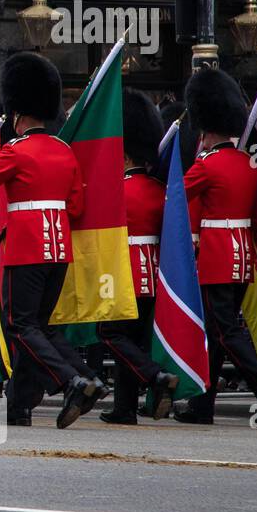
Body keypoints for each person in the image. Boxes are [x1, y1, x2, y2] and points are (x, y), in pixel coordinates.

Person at [0, 52, 104, 429]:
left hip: (27, 248)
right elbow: (75, 208)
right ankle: (22, 404)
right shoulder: (64, 151)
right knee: (37, 329)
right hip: (58, 249)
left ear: (17, 113)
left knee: (18, 325)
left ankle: (70, 381)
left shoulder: (15, 151)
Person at [175, 68, 257, 425]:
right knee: (218, 331)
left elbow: (175, 199)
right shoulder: (249, 164)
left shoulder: (208, 165)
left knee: (226, 331)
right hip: (242, 254)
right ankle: (202, 405)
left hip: (216, 255)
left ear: (205, 126)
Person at [97, 90, 179, 424]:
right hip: (155, 272)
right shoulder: (161, 190)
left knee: (110, 334)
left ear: (125, 155)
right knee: (135, 340)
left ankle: (155, 376)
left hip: (124, 271)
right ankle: (124, 408)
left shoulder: (118, 192)